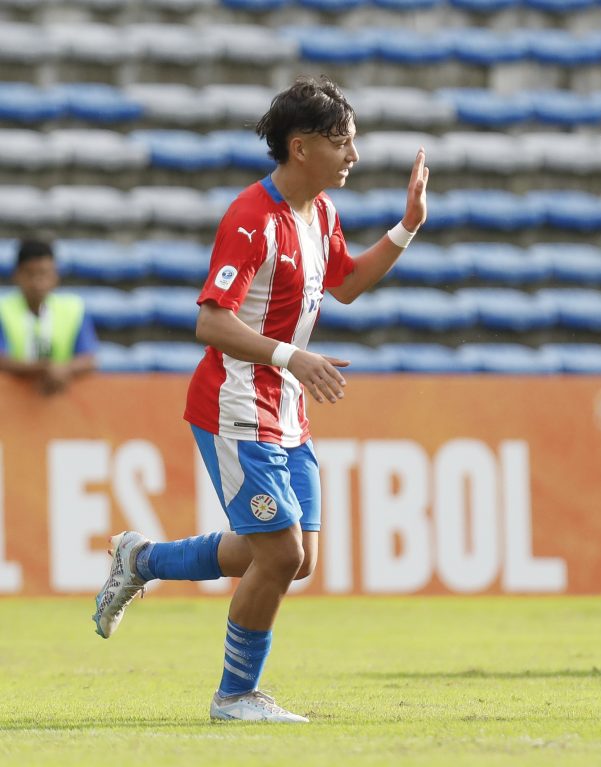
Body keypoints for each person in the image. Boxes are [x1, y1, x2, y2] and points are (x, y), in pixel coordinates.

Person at [92, 75, 429, 723]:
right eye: (343, 143)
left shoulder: (319, 213)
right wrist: (291, 354)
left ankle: (142, 558)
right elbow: (211, 322)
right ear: (301, 148)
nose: (353, 156)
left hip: (286, 409)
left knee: (291, 556)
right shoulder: (252, 218)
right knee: (281, 552)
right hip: (236, 405)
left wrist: (407, 227)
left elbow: (349, 284)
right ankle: (235, 696)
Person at [0, 239, 98, 395]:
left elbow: (89, 359)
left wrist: (63, 369)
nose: (37, 281)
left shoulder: (74, 309)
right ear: (17, 275)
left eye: (44, 273)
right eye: (30, 274)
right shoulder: (3, 310)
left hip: (58, 403)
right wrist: (44, 369)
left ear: (55, 275)